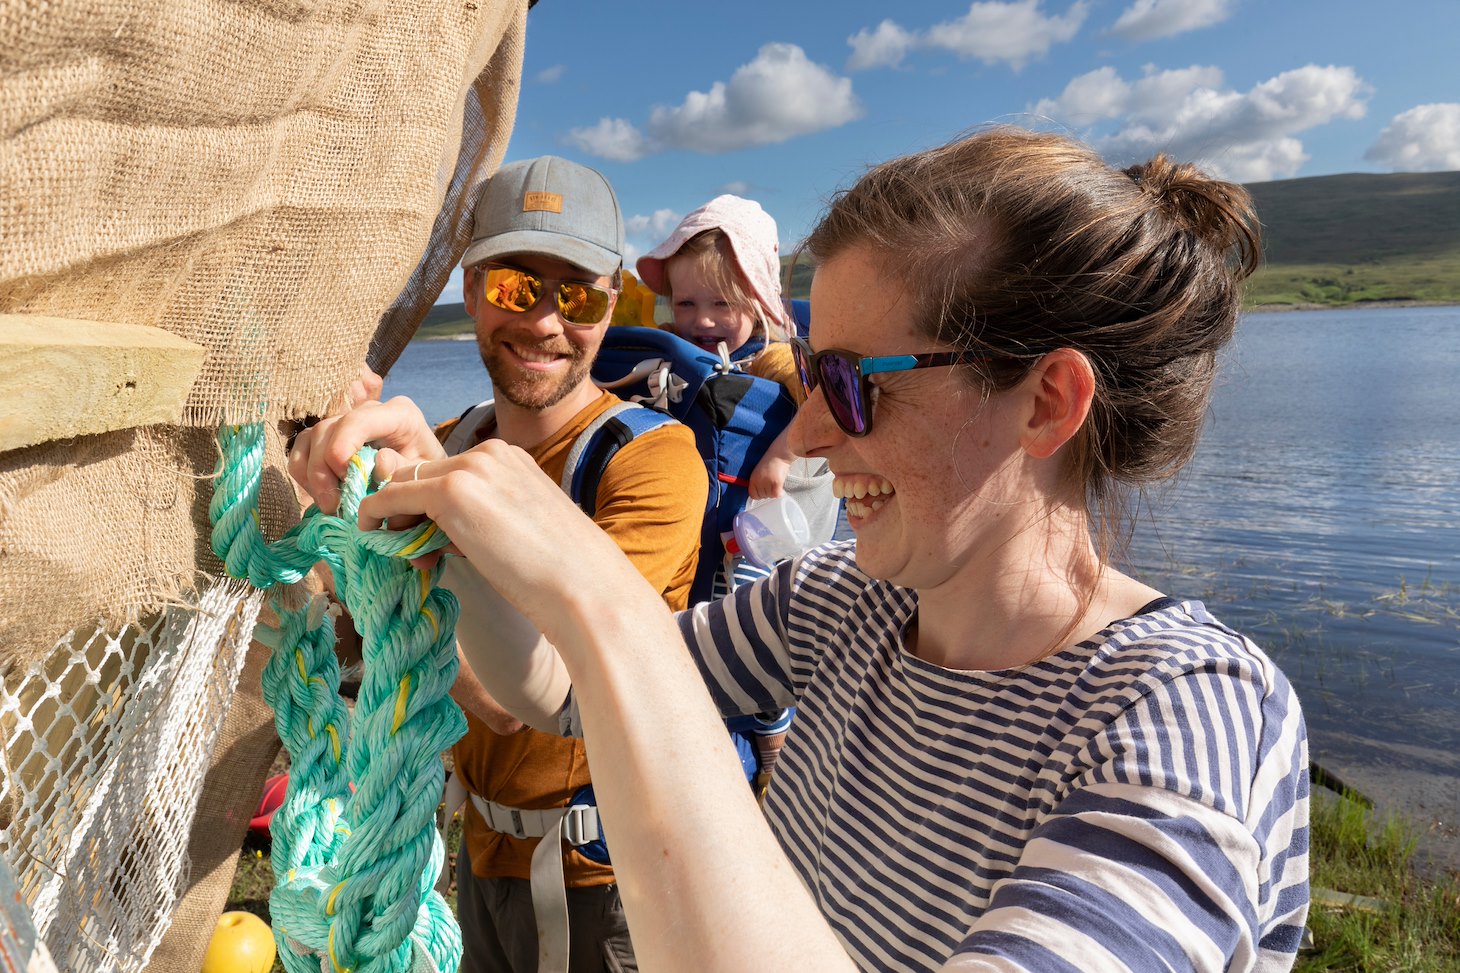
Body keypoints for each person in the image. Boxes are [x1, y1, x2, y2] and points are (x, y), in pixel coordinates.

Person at [306, 127, 1312, 972]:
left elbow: (604, 655)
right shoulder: (836, 601)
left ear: (1046, 402)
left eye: (853, 382)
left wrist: (596, 596)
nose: (814, 435)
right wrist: (435, 520)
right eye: (811, 376)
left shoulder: (1188, 720)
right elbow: (564, 690)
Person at [293, 154, 707, 973]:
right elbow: (364, 628)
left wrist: (407, 534)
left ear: (615, 300)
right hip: (470, 853)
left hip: (601, 876)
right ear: (473, 288)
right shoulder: (446, 439)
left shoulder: (651, 465)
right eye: (517, 287)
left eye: (579, 295)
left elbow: (532, 696)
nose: (546, 323)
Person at [635, 195, 803, 500]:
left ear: (758, 304)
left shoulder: (767, 356)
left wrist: (781, 456)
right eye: (685, 303)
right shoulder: (670, 341)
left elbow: (821, 400)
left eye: (722, 304)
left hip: (742, 518)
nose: (703, 321)